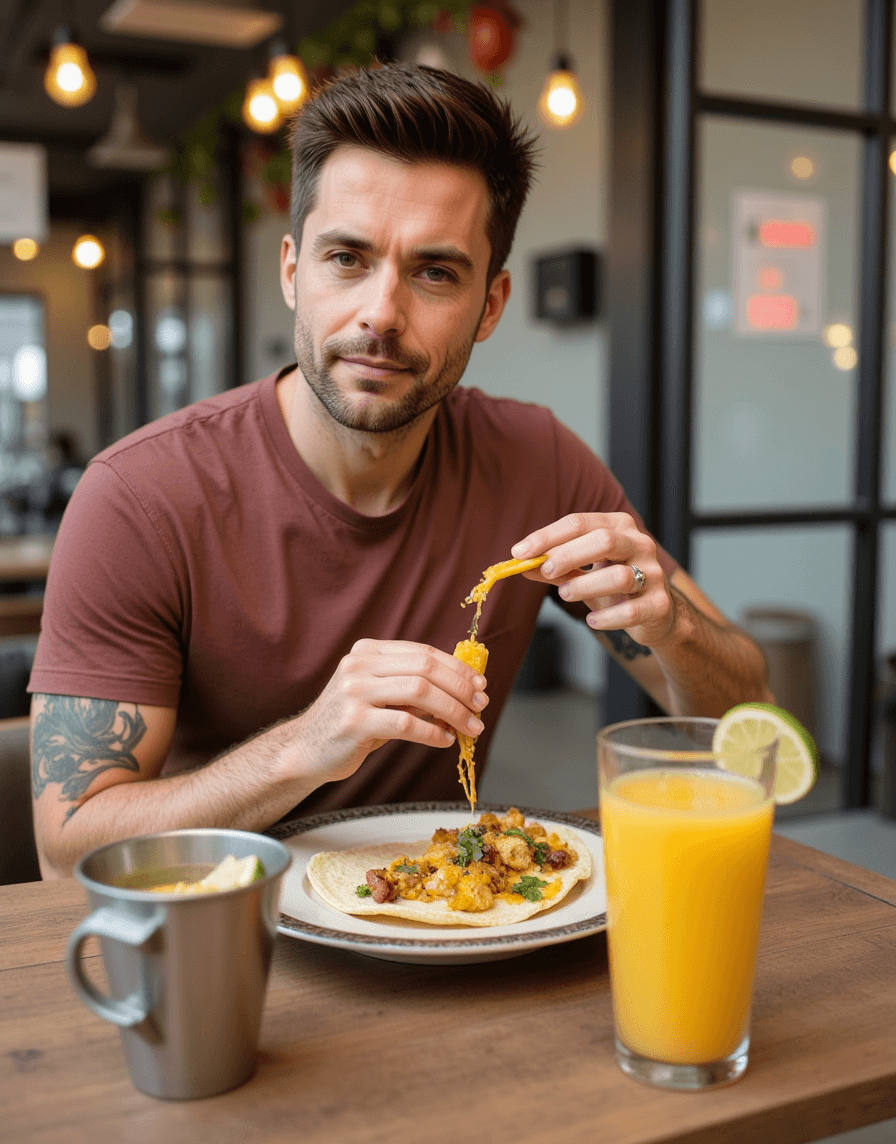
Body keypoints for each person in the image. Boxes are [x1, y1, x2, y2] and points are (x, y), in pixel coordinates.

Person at [28, 63, 771, 878]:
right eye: (346, 258)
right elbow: (70, 850)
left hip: (449, 933)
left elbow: (749, 729)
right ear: (292, 271)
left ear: (490, 304)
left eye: (435, 272)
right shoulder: (139, 497)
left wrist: (674, 627)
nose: (381, 314)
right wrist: (306, 747)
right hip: (225, 936)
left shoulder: (537, 463)